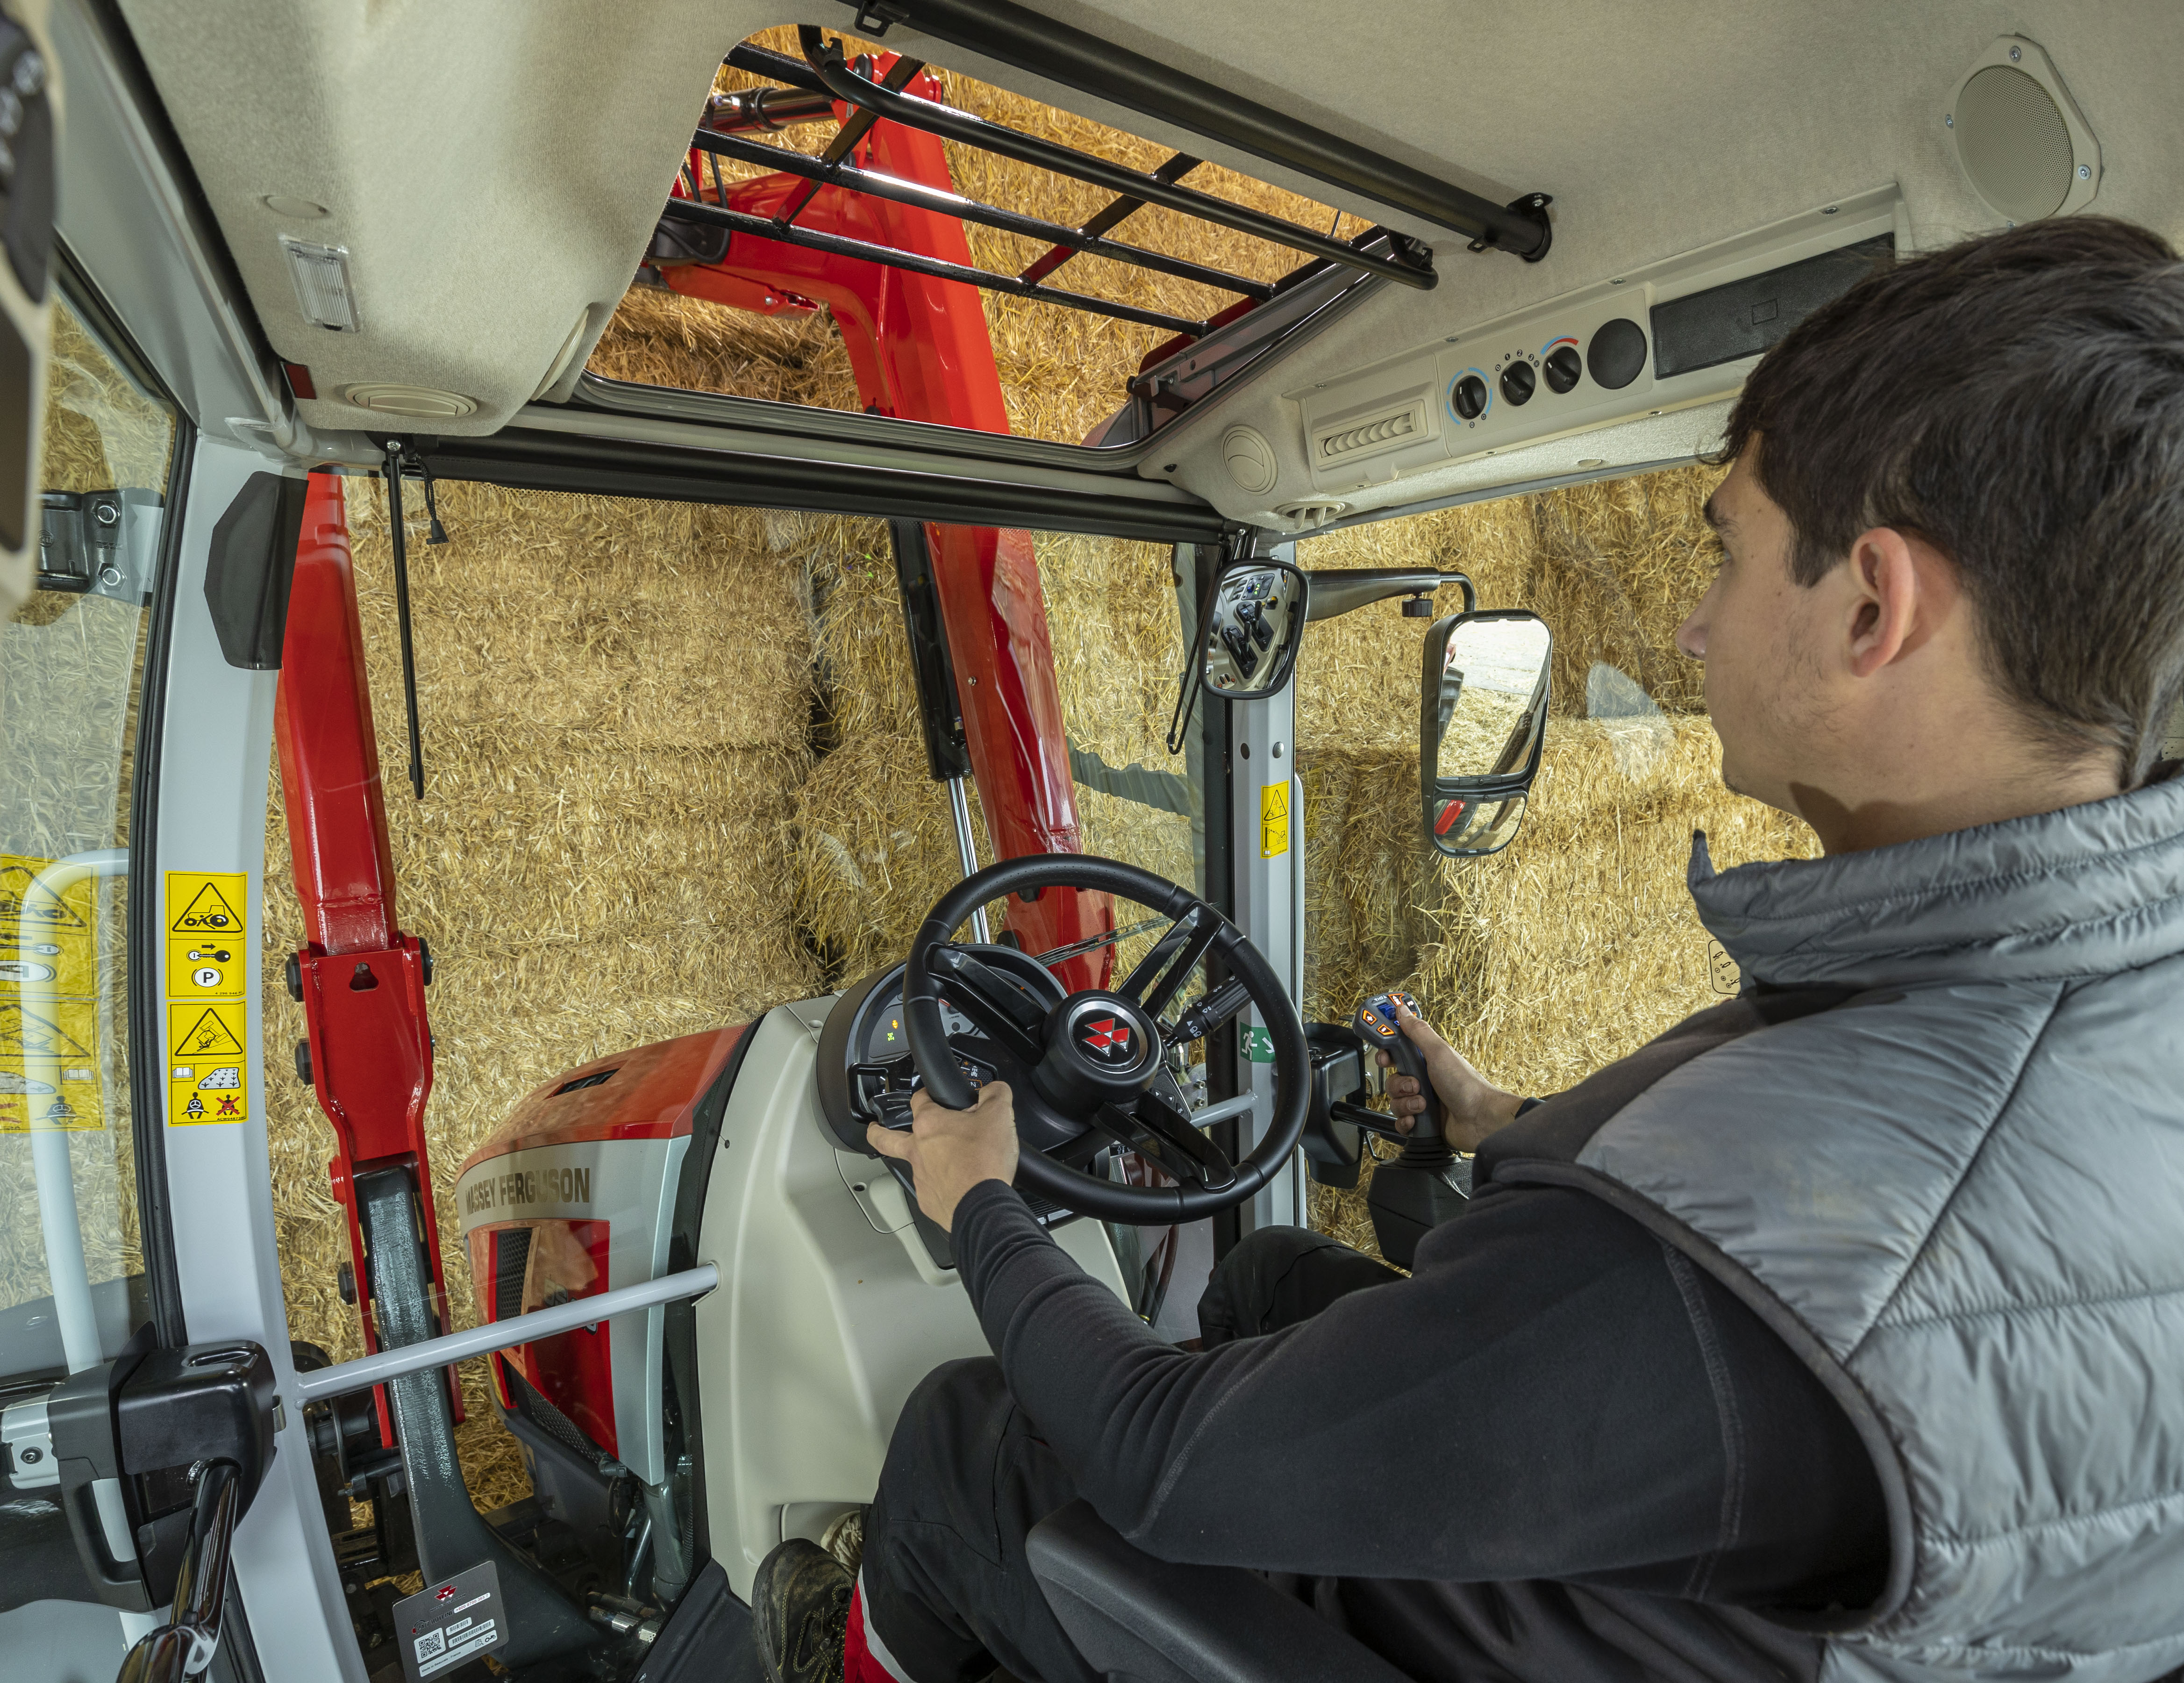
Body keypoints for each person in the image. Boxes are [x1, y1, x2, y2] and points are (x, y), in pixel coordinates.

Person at [754, 216, 2184, 1683]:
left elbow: (1164, 1457)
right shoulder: (2105, 1017)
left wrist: (981, 1199)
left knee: (959, 1439)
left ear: (1874, 605)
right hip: (1713, 1615)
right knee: (1265, 1277)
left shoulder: (1714, 1258)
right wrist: (1514, 1126)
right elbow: (1861, 1239)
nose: (1692, 625)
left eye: (1728, 552)